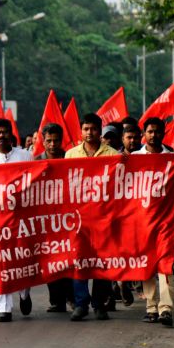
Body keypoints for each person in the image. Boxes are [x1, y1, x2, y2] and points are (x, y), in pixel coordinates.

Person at [65, 113, 119, 321]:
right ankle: (81, 304)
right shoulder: (70, 155)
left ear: (100, 130)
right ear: (81, 131)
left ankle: (99, 303)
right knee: (79, 261)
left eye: (94, 129)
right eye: (86, 129)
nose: (90, 133)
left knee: (101, 262)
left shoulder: (112, 154)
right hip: (77, 218)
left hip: (104, 218)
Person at [0, 119, 34, 322]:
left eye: (4, 132)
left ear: (11, 134)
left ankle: (24, 294)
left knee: (22, 259)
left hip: (21, 219)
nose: (1, 136)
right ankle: (4, 308)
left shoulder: (26, 156)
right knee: (0, 263)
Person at [132, 117, 174, 326]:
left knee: (164, 264)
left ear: (163, 133)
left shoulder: (172, 157)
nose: (154, 135)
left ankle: (165, 308)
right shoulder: (133, 158)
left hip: (166, 220)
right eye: (150, 131)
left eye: (157, 131)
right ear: (144, 134)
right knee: (147, 264)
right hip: (142, 220)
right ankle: (151, 307)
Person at [34, 123, 74, 312]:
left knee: (69, 258)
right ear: (43, 141)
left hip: (67, 217)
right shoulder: (35, 162)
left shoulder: (69, 159)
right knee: (49, 260)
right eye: (48, 141)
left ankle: (71, 298)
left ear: (61, 140)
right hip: (45, 219)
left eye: (56, 140)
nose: (52, 144)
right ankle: (56, 301)